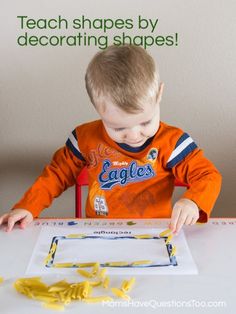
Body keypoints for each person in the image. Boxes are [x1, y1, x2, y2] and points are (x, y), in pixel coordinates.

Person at [0, 45, 222, 234]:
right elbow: (57, 175)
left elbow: (208, 176)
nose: (134, 135)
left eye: (145, 122)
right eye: (118, 127)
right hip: (98, 233)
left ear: (159, 94)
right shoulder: (85, 138)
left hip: (155, 233)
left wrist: (192, 201)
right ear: (98, 110)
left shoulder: (172, 142)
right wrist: (28, 207)